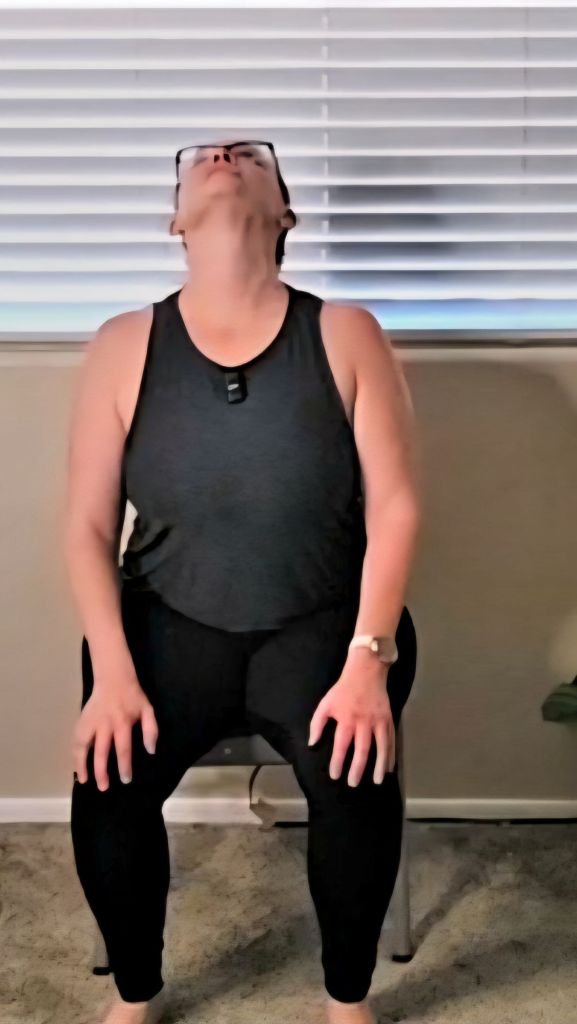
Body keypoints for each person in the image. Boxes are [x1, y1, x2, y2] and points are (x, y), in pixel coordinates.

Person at [65, 137, 421, 1024]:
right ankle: (135, 997)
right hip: (167, 622)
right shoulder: (122, 343)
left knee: (353, 780)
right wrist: (111, 673)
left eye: (250, 154)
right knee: (106, 779)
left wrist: (367, 660)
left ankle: (347, 1001)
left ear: (286, 214)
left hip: (330, 626)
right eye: (202, 158)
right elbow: (87, 525)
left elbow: (398, 509)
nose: (223, 155)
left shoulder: (345, 332)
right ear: (175, 220)